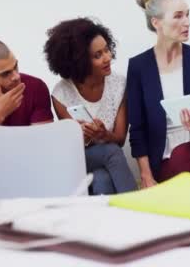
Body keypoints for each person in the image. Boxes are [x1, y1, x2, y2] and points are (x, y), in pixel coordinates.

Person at [127, 0, 190, 188]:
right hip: (163, 155)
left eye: (188, 14)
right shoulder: (138, 67)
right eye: (178, 16)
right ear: (156, 23)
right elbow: (137, 129)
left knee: (182, 157)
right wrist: (145, 175)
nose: (187, 22)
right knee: (179, 165)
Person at [45, 17, 137, 195]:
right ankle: (138, 206)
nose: (108, 57)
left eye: (107, 50)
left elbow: (120, 138)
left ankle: (106, 220)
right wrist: (83, 135)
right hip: (78, 158)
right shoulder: (61, 93)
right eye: (98, 55)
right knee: (110, 152)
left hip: (106, 157)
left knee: (102, 177)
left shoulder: (118, 84)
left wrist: (104, 134)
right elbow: (72, 147)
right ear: (79, 61)